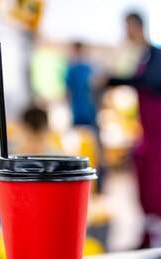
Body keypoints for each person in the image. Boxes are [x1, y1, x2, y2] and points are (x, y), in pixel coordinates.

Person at [106, 12, 161, 248]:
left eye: (127, 27)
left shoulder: (155, 54)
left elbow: (154, 84)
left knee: (158, 183)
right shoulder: (141, 57)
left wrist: (114, 81)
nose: (125, 33)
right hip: (147, 131)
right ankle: (147, 236)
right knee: (144, 181)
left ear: (137, 27)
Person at [65, 41, 105, 190]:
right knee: (85, 150)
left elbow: (68, 94)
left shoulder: (82, 70)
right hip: (83, 114)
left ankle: (93, 185)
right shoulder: (82, 70)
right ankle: (91, 185)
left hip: (85, 114)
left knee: (87, 151)